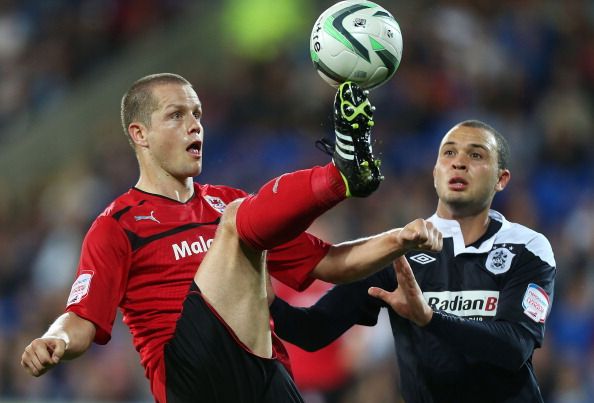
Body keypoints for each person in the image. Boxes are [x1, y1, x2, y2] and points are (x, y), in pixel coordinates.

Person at [20, 73, 442, 403]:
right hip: (190, 372)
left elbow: (329, 264)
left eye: (198, 114)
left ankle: (345, 176)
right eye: (176, 115)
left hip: (262, 372)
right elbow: (81, 318)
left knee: (241, 218)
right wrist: (54, 339)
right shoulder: (118, 224)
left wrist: (400, 239)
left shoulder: (229, 204)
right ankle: (339, 175)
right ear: (139, 135)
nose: (194, 126)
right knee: (239, 221)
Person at [271, 120, 556, 403]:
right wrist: (258, 288)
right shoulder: (398, 250)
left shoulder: (527, 246)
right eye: (449, 153)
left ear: (501, 179)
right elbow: (312, 330)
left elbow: (514, 347)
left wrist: (429, 319)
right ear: (435, 173)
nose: (459, 163)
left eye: (476, 154)